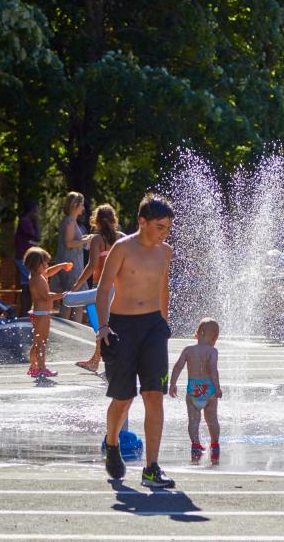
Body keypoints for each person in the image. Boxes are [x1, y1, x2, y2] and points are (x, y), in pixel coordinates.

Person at [96, 194, 176, 488]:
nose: (163, 233)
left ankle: (151, 468)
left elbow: (163, 288)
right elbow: (103, 290)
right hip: (122, 327)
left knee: (154, 394)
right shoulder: (122, 248)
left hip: (153, 326)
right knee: (123, 397)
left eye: (167, 227)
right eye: (159, 226)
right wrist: (103, 326)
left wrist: (165, 324)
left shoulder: (165, 252)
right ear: (142, 222)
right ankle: (113, 442)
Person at [72, 204, 126, 373]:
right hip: (119, 286)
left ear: (96, 221)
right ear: (113, 219)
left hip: (101, 287)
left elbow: (92, 265)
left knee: (101, 325)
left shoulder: (98, 239)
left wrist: (76, 286)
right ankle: (96, 359)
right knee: (111, 324)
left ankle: (104, 362)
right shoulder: (122, 237)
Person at [170, 318, 223, 462]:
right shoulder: (212, 351)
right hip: (208, 390)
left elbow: (177, 367)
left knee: (193, 420)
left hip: (193, 389)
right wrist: (217, 388)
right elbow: (213, 370)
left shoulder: (188, 350)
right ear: (214, 337)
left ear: (198, 333)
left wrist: (172, 384)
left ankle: (195, 445)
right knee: (212, 419)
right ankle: (215, 444)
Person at [23, 247, 72, 378]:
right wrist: (62, 295)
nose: (47, 266)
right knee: (42, 342)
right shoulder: (38, 279)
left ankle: (33, 367)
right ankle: (42, 368)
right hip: (42, 314)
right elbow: (46, 296)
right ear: (36, 264)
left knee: (37, 342)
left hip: (39, 313)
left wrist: (61, 266)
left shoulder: (36, 275)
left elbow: (49, 272)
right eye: (44, 263)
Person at [56, 192, 93, 323]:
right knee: (74, 300)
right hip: (71, 266)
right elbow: (69, 243)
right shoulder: (70, 221)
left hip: (72, 264)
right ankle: (73, 331)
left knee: (72, 301)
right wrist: (85, 240)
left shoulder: (70, 221)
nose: (83, 208)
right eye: (82, 205)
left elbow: (73, 241)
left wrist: (85, 239)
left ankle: (68, 330)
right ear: (75, 205)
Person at [14, 200, 41, 317]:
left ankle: (25, 313)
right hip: (24, 258)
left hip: (27, 258)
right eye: (35, 211)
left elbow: (37, 237)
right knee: (31, 283)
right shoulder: (25, 221)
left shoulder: (29, 221)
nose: (37, 213)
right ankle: (26, 313)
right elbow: (36, 236)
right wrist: (36, 222)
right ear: (31, 210)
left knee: (26, 285)